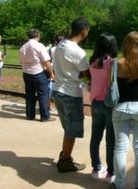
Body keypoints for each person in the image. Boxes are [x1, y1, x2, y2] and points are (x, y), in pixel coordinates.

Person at [110, 31, 138, 189]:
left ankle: (118, 184)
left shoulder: (116, 63)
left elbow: (113, 83)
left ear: (126, 44)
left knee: (120, 147)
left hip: (121, 107)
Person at [52, 17, 91, 173]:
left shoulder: (60, 45)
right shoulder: (77, 51)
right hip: (70, 94)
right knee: (72, 129)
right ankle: (66, 161)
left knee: (67, 127)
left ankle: (64, 154)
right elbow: (87, 75)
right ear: (84, 30)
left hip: (57, 91)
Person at [89, 33, 117, 183]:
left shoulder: (93, 61)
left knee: (95, 138)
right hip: (109, 104)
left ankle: (95, 168)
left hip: (95, 103)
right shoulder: (113, 62)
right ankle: (110, 173)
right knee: (110, 140)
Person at [19, 29, 55, 122]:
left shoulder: (23, 47)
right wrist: (51, 72)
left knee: (30, 95)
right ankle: (45, 116)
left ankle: (30, 115)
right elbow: (46, 61)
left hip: (26, 73)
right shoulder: (39, 46)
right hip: (38, 73)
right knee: (43, 95)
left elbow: (21, 61)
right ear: (38, 36)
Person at [47, 34, 64, 111]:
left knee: (50, 88)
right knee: (61, 89)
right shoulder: (64, 49)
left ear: (55, 41)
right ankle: (60, 107)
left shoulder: (52, 49)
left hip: (53, 69)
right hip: (62, 70)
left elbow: (49, 60)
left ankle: (48, 105)